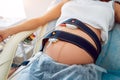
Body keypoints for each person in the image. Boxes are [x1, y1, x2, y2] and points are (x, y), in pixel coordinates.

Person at [0, 0, 120, 80]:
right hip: (42, 62)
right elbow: (39, 20)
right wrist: (6, 31)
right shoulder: (69, 1)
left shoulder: (112, 5)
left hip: (76, 70)